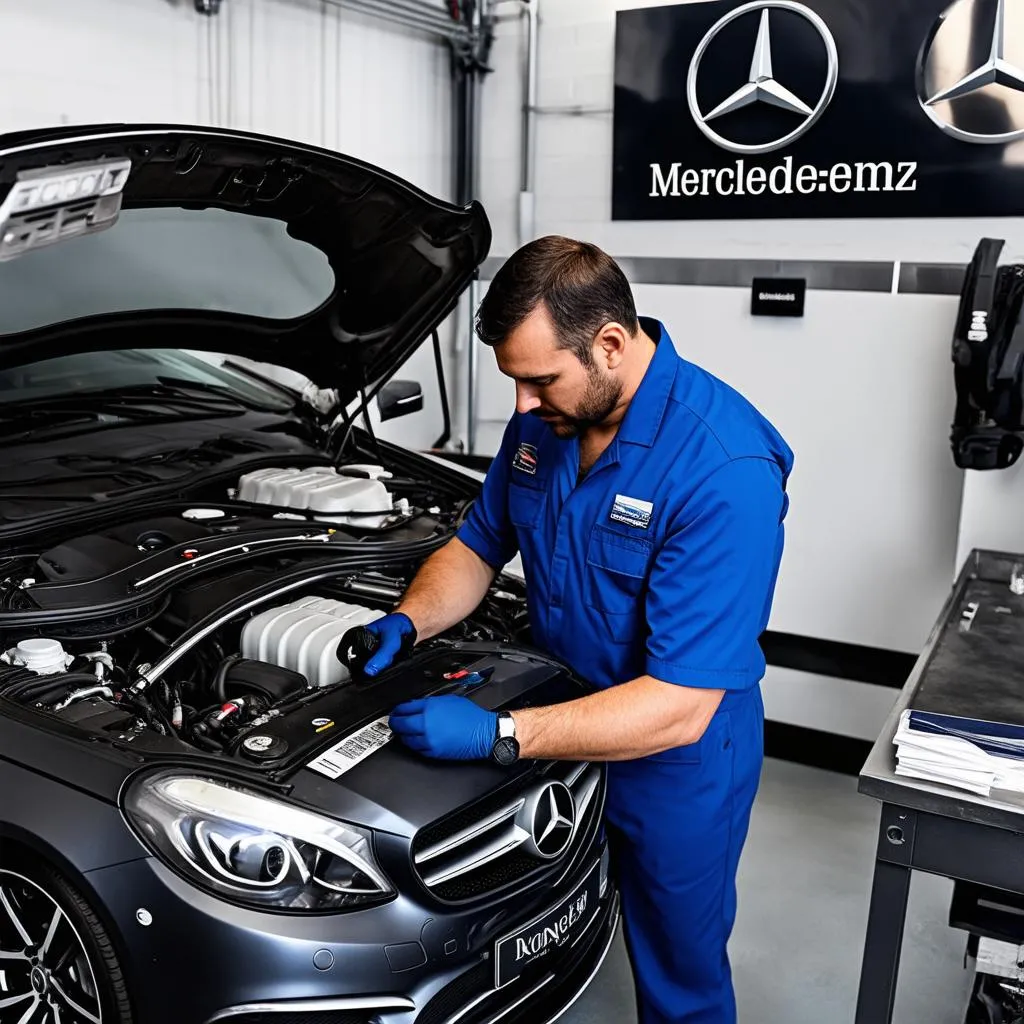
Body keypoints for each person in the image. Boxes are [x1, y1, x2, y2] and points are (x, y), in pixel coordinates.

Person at [338, 236, 794, 1024]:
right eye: (514, 380)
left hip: (675, 762)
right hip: (556, 722)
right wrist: (408, 621)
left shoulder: (723, 469)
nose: (520, 405)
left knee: (678, 970)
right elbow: (478, 546)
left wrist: (497, 736)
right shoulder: (543, 424)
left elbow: (681, 703)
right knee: (550, 925)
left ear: (610, 344)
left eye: (539, 379)